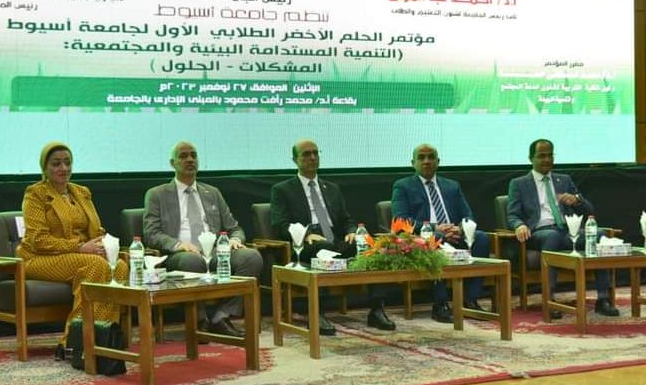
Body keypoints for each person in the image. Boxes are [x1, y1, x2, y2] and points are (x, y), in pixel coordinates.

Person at [270, 139, 396, 334]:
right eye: (306, 154)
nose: (312, 157)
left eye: (315, 153)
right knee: (323, 250)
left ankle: (377, 309)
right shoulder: (283, 190)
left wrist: (351, 232)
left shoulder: (332, 188)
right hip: (306, 245)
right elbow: (279, 224)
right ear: (295, 160)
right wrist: (306, 235)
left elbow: (346, 219)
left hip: (335, 240)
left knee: (370, 247)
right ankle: (317, 313)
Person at [17, 142, 126, 361]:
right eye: (56, 164)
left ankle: (101, 339)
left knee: (120, 266)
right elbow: (38, 240)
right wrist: (79, 247)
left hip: (79, 255)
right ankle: (72, 342)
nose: (63, 168)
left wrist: (103, 245)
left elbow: (96, 229)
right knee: (94, 265)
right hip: (39, 257)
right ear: (45, 167)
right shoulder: (36, 194)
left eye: (67, 163)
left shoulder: (81, 192)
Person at [143, 141, 263, 338]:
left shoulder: (212, 193)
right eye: (183, 156)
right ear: (172, 163)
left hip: (215, 253)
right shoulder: (157, 194)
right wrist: (178, 244)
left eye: (194, 155)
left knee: (251, 257)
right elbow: (151, 233)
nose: (190, 159)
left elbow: (234, 227)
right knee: (193, 260)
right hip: (180, 255)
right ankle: (199, 320)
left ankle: (221, 316)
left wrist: (235, 240)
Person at [507, 138, 619, 318]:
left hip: (567, 232)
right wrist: (519, 225)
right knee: (551, 236)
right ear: (530, 158)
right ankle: (549, 299)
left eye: (550, 155)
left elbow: (589, 211)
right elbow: (512, 215)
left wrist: (577, 200)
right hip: (539, 233)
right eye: (541, 156)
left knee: (599, 235)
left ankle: (603, 299)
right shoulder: (519, 183)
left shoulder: (564, 180)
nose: (546, 160)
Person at [391, 143, 490, 323]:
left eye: (431, 157)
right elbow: (400, 220)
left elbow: (468, 216)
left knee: (481, 238)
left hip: (455, 235)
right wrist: (435, 228)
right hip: (425, 238)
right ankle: (440, 304)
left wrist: (460, 228)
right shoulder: (403, 186)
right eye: (421, 158)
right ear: (413, 163)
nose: (426, 161)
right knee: (435, 239)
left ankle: (470, 300)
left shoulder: (452, 186)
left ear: (438, 161)